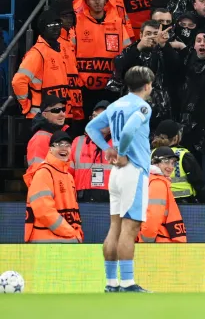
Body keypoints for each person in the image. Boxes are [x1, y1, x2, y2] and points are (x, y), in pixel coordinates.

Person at [85, 66, 155, 293]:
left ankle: (111, 282)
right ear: (147, 85)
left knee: (114, 227)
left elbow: (91, 127)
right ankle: (127, 282)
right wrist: (121, 152)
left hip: (116, 174)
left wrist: (108, 149)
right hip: (132, 171)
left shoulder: (115, 105)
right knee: (129, 227)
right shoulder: (143, 106)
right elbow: (127, 132)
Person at [12, 9, 82, 121]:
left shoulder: (58, 50)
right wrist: (26, 106)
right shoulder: (37, 52)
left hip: (58, 114)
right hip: (41, 117)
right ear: (43, 28)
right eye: (50, 25)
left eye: (58, 24)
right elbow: (18, 81)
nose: (55, 28)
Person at [24, 130, 83, 244]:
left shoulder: (68, 176)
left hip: (67, 241)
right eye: (59, 145)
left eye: (67, 145)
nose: (64, 148)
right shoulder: (43, 173)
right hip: (46, 242)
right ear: (50, 149)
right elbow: (44, 211)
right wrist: (71, 232)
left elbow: (74, 212)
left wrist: (77, 233)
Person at [139, 146, 187, 243]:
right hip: (160, 244)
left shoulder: (152, 180)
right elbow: (153, 216)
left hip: (160, 242)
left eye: (173, 163)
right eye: (166, 162)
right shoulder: (158, 183)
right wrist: (146, 242)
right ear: (155, 162)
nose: (171, 167)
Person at [151, 119, 204, 203]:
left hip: (158, 201)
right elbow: (198, 181)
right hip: (184, 202)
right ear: (176, 138)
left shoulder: (150, 154)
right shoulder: (184, 154)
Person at [70, 101, 113, 203]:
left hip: (111, 206)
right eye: (95, 116)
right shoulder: (77, 142)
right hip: (81, 203)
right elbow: (66, 175)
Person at [23, 94, 69, 186]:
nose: (62, 114)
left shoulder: (58, 135)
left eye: (63, 109)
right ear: (45, 115)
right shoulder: (41, 138)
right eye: (56, 110)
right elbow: (36, 174)